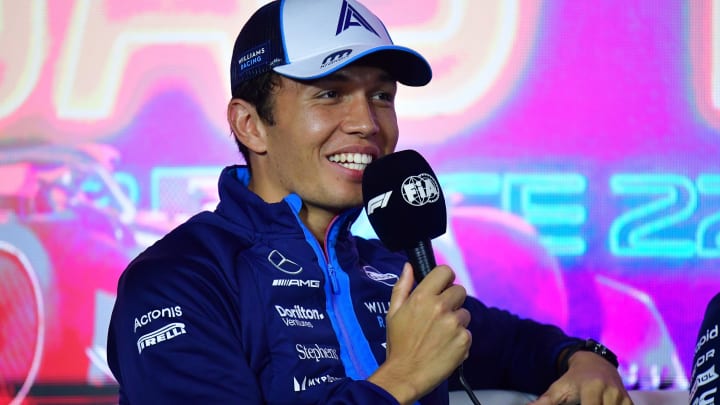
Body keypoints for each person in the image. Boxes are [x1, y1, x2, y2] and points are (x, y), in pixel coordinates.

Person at [106, 0, 633, 404]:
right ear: (251, 124)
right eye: (330, 93)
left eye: (381, 95)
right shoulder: (178, 280)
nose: (367, 123)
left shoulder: (391, 268)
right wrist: (402, 377)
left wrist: (585, 360)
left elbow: (513, 344)